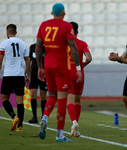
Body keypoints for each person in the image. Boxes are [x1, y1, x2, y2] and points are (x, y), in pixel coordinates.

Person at [36, 3, 82, 142]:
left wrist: (39, 67)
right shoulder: (67, 26)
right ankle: (59, 135)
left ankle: (44, 118)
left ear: (52, 13)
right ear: (64, 13)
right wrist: (78, 68)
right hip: (62, 67)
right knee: (62, 100)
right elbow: (73, 48)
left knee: (52, 95)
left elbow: (38, 47)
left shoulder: (43, 25)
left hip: (48, 66)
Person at [0, 24, 31, 132]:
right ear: (16, 32)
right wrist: (27, 75)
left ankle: (14, 117)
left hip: (8, 75)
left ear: (7, 32)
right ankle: (20, 126)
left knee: (4, 98)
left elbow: (0, 60)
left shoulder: (4, 43)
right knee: (20, 101)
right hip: (19, 75)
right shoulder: (23, 44)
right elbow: (28, 60)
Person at [68, 21, 92, 136]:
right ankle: (75, 126)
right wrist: (81, 66)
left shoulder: (65, 44)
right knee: (77, 101)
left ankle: (73, 122)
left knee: (69, 100)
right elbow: (89, 58)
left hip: (68, 73)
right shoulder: (82, 43)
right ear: (77, 31)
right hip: (79, 73)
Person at [28, 43, 47, 123]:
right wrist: (27, 74)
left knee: (43, 96)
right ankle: (34, 116)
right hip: (33, 74)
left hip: (43, 74)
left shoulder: (46, 48)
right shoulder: (32, 47)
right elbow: (29, 61)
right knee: (32, 94)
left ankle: (43, 117)